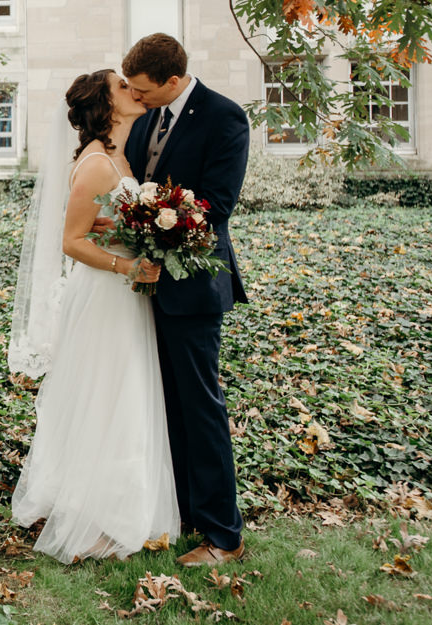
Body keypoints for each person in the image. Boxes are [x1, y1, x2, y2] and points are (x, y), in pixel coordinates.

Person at [8, 69, 180, 563]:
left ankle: (116, 506)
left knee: (119, 396)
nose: (132, 89)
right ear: (106, 105)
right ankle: (96, 518)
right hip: (105, 296)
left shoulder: (118, 156)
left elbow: (104, 226)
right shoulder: (96, 165)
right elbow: (71, 241)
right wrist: (129, 264)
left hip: (122, 296)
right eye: (122, 85)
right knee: (108, 397)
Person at [120, 33, 249, 567]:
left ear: (173, 81)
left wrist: (150, 216)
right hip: (142, 284)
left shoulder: (224, 117)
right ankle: (180, 513)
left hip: (193, 285)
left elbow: (217, 204)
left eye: (145, 90)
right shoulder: (145, 117)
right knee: (164, 405)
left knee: (200, 409)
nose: (137, 97)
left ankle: (224, 535)